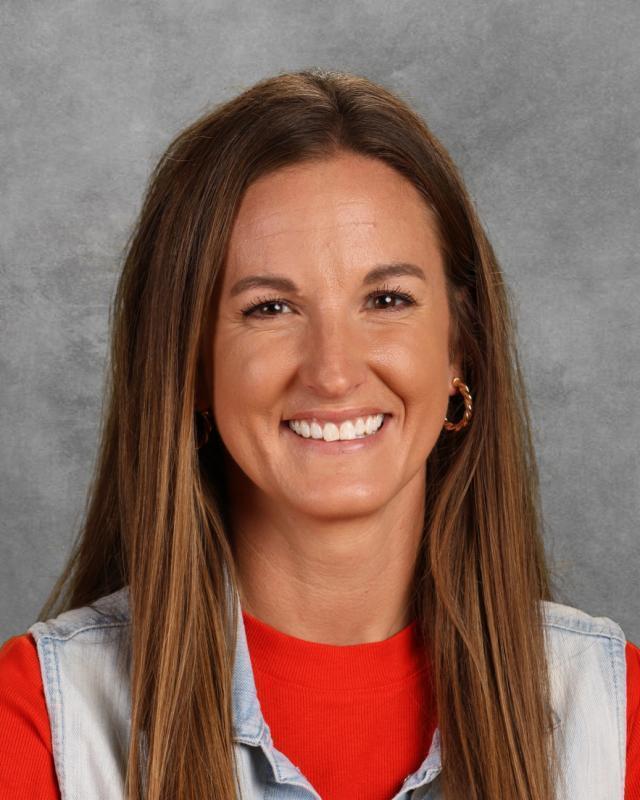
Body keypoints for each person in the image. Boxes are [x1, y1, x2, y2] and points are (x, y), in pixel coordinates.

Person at [0, 68, 638, 800]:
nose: (333, 373)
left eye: (387, 299)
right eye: (270, 308)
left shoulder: (616, 719)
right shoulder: (40, 727)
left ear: (460, 345)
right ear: (193, 366)